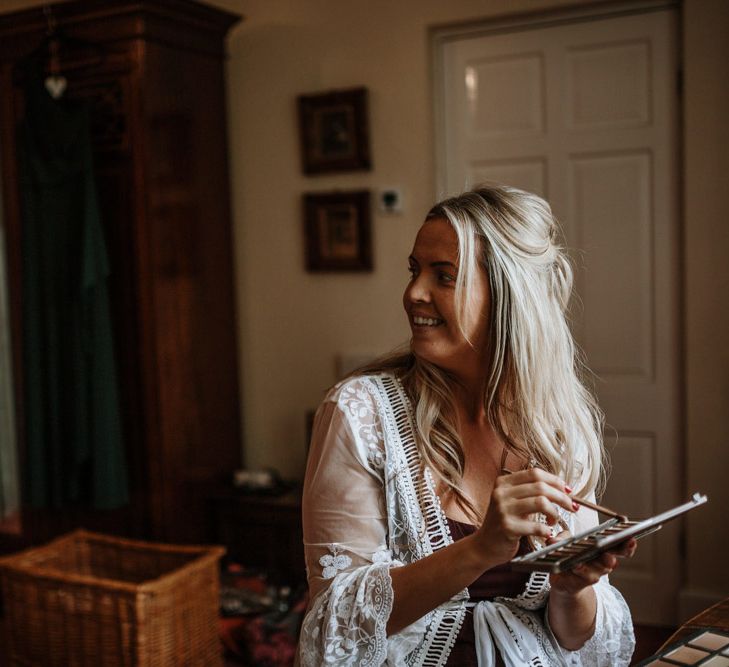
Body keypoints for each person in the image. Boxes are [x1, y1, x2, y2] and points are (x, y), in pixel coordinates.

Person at [297, 184, 637, 666]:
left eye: (444, 276)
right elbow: (337, 621)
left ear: (510, 295)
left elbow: (577, 638)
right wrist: (482, 549)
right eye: (416, 271)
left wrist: (571, 588)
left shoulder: (560, 426)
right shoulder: (361, 413)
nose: (413, 293)